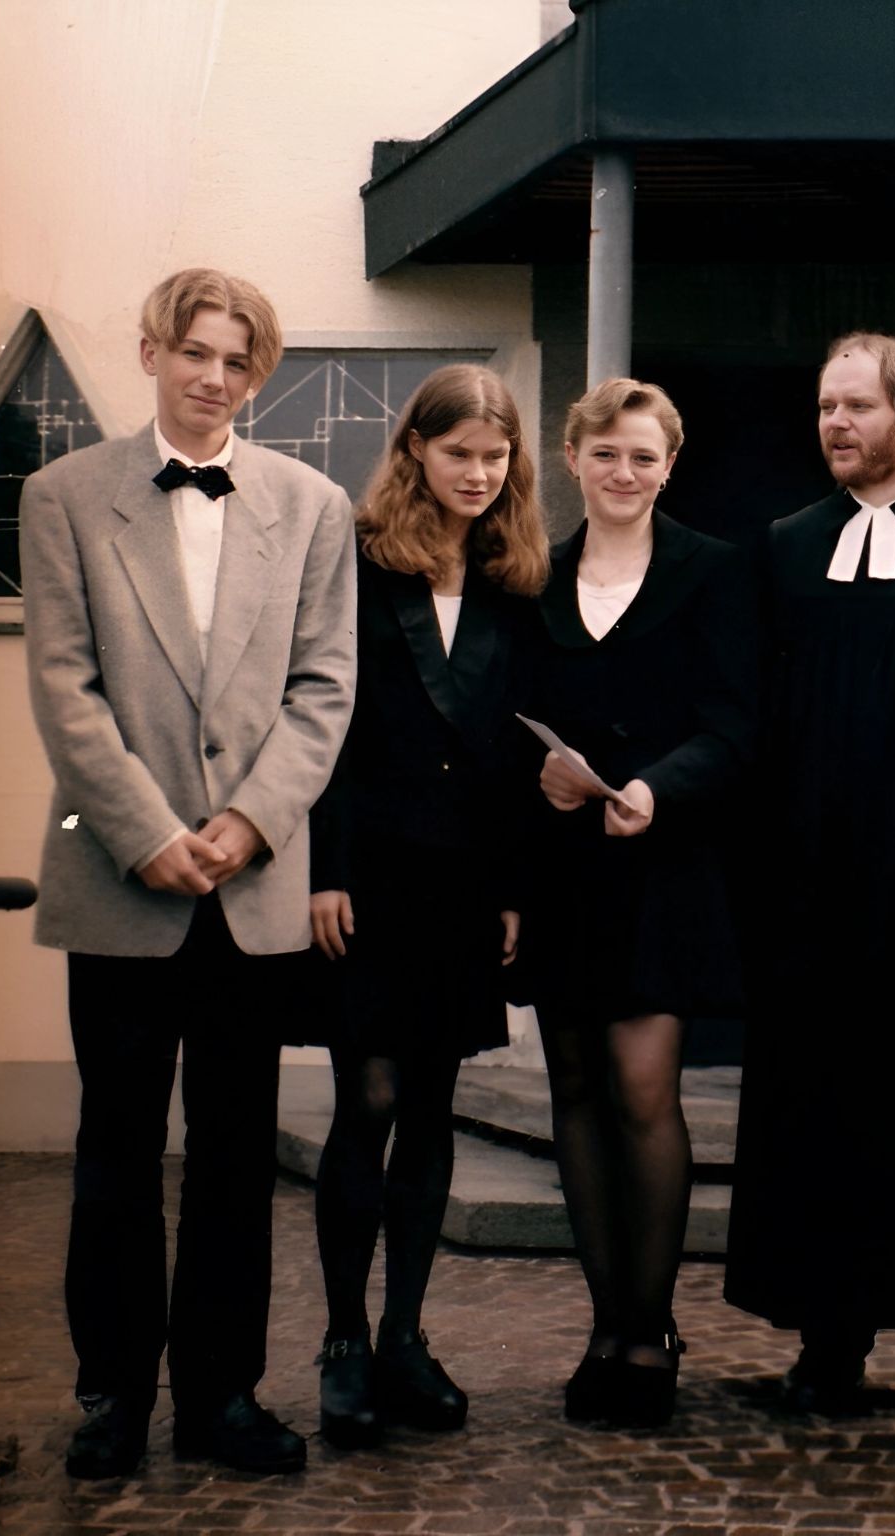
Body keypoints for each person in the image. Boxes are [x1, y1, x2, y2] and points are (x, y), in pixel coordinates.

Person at [20, 268, 356, 1477]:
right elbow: (65, 686)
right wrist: (148, 832)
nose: (215, 378)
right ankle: (112, 1391)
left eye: (237, 361)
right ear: (152, 348)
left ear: (256, 374)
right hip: (121, 882)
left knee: (232, 1151)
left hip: (250, 889)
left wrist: (253, 823)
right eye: (196, 353)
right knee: (114, 1148)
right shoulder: (63, 495)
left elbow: (325, 688)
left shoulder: (313, 504)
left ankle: (223, 1395)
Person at [723, 333, 895, 1418]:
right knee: (817, 1100)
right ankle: (824, 1337)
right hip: (811, 879)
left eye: (858, 407)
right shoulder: (786, 544)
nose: (835, 424)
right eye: (825, 406)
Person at [305, 365, 549, 1448]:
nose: (477, 474)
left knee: (433, 1106)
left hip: (462, 884)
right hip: (365, 876)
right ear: (416, 451)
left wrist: (508, 895)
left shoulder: (511, 577)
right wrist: (320, 867)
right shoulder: (355, 564)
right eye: (459, 454)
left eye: (495, 459)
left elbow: (505, 756)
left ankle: (407, 1335)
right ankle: (345, 1341)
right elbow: (318, 723)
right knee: (368, 1097)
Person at [517, 378, 756, 1428]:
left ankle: (651, 1329)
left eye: (643, 457)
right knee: (573, 1086)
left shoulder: (713, 571)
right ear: (572, 457)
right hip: (563, 868)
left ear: (670, 464)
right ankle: (603, 1324)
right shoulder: (531, 576)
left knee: (642, 1086)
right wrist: (541, 777)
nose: (624, 473)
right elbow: (503, 714)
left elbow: (738, 723)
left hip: (664, 866)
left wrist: (660, 786)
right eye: (605, 453)